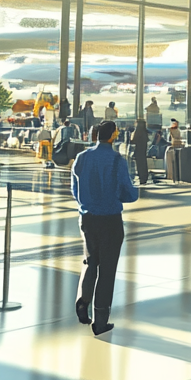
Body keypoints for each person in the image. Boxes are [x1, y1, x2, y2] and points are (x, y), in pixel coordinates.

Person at [71, 120, 139, 336]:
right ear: (113, 135)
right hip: (110, 219)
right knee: (107, 270)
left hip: (88, 218)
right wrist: (136, 192)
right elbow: (126, 192)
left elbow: (75, 189)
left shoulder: (82, 158)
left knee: (90, 261)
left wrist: (86, 203)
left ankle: (82, 300)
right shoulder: (117, 160)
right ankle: (100, 321)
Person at [131, 119, 150, 185]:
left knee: (139, 165)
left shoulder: (138, 132)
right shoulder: (145, 132)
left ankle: (141, 178)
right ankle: (144, 177)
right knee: (144, 164)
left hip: (138, 151)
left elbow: (133, 141)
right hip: (143, 151)